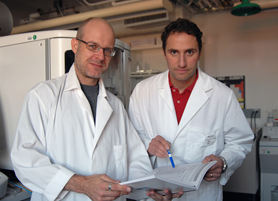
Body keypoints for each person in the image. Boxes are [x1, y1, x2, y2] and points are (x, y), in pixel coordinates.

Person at [10, 17, 153, 201]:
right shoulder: (43, 96)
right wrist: (82, 184)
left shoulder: (115, 105)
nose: (100, 56)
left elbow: (135, 158)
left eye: (107, 50)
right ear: (75, 45)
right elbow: (25, 161)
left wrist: (151, 190)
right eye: (93, 46)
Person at [128, 18, 254, 201]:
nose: (181, 62)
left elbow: (240, 141)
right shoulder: (142, 91)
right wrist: (148, 145)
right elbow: (131, 140)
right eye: (174, 52)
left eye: (189, 52)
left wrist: (224, 162)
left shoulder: (222, 95)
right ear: (164, 53)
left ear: (200, 53)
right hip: (157, 193)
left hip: (202, 195)